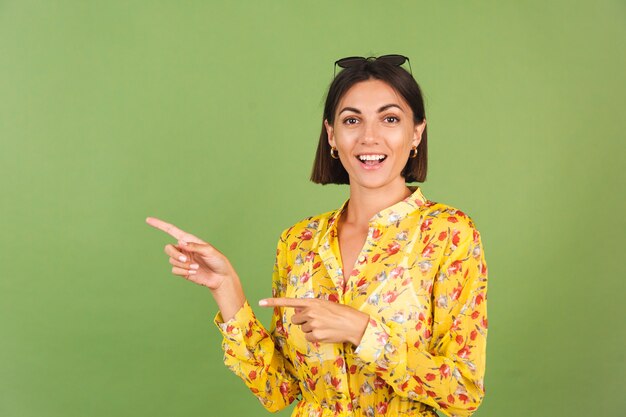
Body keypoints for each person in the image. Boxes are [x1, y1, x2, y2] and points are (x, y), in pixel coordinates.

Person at [146, 55, 488, 417]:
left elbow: (463, 393)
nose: (369, 137)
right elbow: (278, 390)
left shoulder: (449, 234)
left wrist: (363, 332)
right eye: (352, 120)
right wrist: (225, 287)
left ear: (416, 133)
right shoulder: (298, 241)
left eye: (390, 119)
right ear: (331, 136)